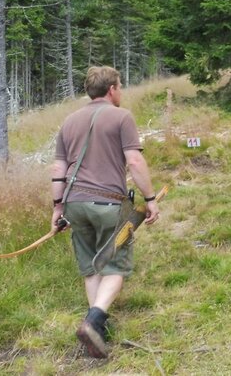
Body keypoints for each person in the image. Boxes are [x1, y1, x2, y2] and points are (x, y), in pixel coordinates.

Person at [50, 66, 160, 359]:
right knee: (116, 265)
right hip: (109, 204)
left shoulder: (69, 121)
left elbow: (59, 168)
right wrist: (150, 198)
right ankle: (94, 320)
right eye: (120, 86)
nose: (121, 91)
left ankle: (96, 329)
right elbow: (134, 161)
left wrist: (58, 207)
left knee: (91, 266)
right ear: (111, 89)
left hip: (74, 204)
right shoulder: (121, 116)